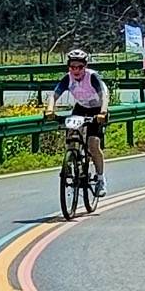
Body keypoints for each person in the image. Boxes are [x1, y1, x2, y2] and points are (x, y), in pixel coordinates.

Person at [44, 47, 112, 194]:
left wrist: (103, 113)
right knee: (71, 134)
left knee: (93, 144)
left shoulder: (92, 77)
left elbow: (104, 96)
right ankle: (71, 160)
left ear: (85, 66)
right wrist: (50, 109)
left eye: (80, 67)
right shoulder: (67, 78)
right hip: (81, 107)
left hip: (98, 109)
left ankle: (101, 179)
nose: (76, 70)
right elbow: (54, 95)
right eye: (72, 67)